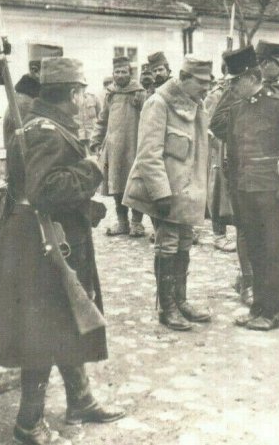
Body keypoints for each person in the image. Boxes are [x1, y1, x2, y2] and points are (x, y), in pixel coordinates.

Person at [0, 57, 124, 445]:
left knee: (68, 317)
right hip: (39, 243)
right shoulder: (45, 132)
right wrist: (90, 169)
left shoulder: (44, 126)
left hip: (52, 238)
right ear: (73, 95)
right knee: (41, 334)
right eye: (82, 91)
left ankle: (80, 400)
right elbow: (46, 190)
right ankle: (29, 424)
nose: (84, 97)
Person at [210, 45, 279, 330]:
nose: (232, 88)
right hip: (244, 187)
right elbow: (227, 140)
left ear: (251, 77)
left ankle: (273, 313)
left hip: (272, 188)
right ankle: (258, 308)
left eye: (235, 82)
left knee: (273, 249)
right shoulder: (236, 108)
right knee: (255, 249)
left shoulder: (278, 104)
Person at [124, 56, 213, 331]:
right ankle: (167, 307)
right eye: (201, 83)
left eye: (209, 83)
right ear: (184, 78)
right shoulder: (158, 103)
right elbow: (148, 154)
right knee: (168, 246)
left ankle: (180, 299)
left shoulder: (196, 105)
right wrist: (161, 194)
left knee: (184, 244)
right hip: (165, 193)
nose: (206, 89)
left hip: (187, 191)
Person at [90, 56, 148, 237]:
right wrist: (96, 140)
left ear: (130, 73)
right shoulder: (110, 94)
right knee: (117, 185)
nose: (120, 75)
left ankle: (136, 223)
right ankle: (122, 222)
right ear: (113, 73)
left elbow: (148, 117)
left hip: (134, 145)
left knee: (136, 185)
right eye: (117, 72)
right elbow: (102, 119)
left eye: (124, 71)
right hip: (114, 149)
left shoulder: (139, 93)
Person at [2, 42, 63, 150]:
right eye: (53, 72)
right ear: (35, 71)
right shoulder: (24, 105)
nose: (58, 78)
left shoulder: (33, 99)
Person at [205, 64, 237, 253]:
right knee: (219, 190)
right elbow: (208, 125)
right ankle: (219, 234)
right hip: (220, 147)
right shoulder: (216, 95)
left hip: (239, 147)